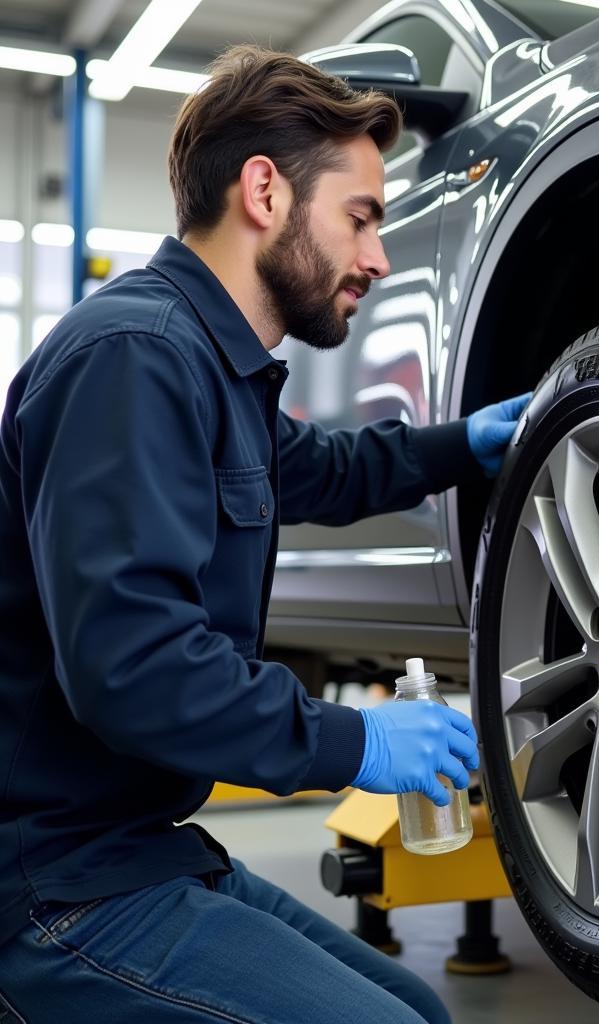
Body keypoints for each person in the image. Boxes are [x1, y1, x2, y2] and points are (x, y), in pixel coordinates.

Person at [0, 44, 529, 1024]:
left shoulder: (206, 365)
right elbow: (135, 668)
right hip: (52, 886)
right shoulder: (134, 358)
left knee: (421, 1009)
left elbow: (317, 468)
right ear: (264, 193)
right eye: (361, 217)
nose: (375, 257)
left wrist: (467, 443)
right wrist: (352, 740)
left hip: (136, 845)